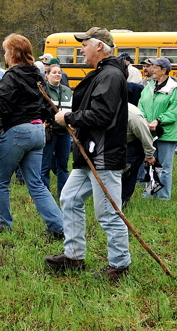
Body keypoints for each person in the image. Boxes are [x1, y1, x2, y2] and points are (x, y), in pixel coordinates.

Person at [46, 27, 130, 281]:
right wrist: (77, 123)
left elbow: (102, 115)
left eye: (84, 45)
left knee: (107, 211)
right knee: (70, 199)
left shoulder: (111, 76)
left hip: (103, 154)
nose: (80, 49)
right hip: (89, 153)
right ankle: (73, 256)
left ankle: (119, 265)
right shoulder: (103, 74)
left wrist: (69, 117)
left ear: (100, 47)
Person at [0, 34, 64, 237]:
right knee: (36, 183)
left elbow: (1, 108)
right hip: (38, 132)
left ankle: (1, 224)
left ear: (13, 53)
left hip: (17, 132)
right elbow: (47, 106)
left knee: (1, 181)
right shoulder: (38, 76)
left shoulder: (11, 77)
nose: (4, 55)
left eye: (5, 51)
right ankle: (58, 226)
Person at [138, 57, 177, 200]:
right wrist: (143, 119)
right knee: (150, 165)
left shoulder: (174, 88)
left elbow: (174, 111)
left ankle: (163, 197)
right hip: (149, 132)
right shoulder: (148, 86)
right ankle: (150, 194)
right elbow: (141, 104)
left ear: (164, 70)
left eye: (155, 67)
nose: (151, 69)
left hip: (166, 133)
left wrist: (158, 120)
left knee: (164, 167)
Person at [42, 64, 73, 198]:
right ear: (47, 75)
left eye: (59, 73)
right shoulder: (43, 90)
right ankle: (44, 195)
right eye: (54, 72)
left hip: (65, 133)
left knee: (63, 165)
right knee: (45, 165)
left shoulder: (66, 90)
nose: (57, 75)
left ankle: (63, 195)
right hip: (50, 132)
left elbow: (72, 109)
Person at [122, 99, 155, 206]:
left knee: (128, 174)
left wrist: (149, 155)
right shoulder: (101, 108)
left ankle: (123, 201)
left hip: (131, 145)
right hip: (110, 145)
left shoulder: (132, 113)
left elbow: (145, 136)